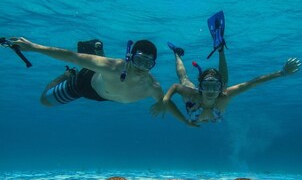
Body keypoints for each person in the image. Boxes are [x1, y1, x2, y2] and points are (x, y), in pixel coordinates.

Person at [151, 11, 301, 125]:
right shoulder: (196, 94)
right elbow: (176, 86)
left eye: (213, 86)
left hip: (206, 103)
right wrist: (165, 101)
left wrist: (282, 72)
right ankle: (178, 54)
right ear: (200, 86)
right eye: (207, 86)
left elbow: (253, 82)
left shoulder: (222, 93)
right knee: (184, 79)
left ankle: (220, 49)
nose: (210, 90)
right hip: (198, 100)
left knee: (223, 86)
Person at [8, 37, 190, 123]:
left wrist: (183, 120)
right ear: (130, 57)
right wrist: (34, 47)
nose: (142, 67)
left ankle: (96, 54)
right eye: (139, 60)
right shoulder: (113, 67)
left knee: (97, 67)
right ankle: (68, 74)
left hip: (106, 94)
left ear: (153, 65)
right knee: (44, 101)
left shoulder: (153, 86)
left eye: (148, 63)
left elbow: (166, 102)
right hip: (85, 85)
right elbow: (72, 56)